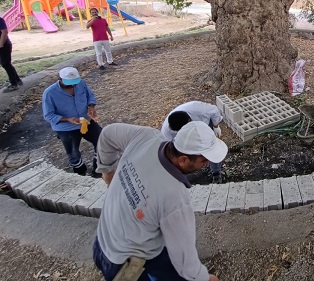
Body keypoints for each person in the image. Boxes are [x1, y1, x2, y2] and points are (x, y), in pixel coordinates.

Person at [93, 121, 226, 281]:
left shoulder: (146, 137)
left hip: (101, 241)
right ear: (183, 160)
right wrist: (205, 278)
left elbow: (107, 133)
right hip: (122, 267)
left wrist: (107, 171)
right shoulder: (174, 196)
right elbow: (185, 262)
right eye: (203, 161)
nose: (206, 165)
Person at [42, 67, 102, 176]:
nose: (72, 86)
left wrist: (91, 107)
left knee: (102, 140)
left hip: (86, 121)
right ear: (60, 79)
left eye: (74, 83)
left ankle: (97, 170)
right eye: (69, 83)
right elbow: (48, 115)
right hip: (66, 128)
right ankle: (80, 172)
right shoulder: (49, 93)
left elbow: (90, 96)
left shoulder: (81, 84)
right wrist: (67, 119)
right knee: (73, 152)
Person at [161, 101, 225, 183]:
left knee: (211, 149)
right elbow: (169, 150)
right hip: (183, 141)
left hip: (204, 125)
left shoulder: (199, 110)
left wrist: (216, 126)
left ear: (190, 120)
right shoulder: (168, 131)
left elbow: (214, 110)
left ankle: (216, 172)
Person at [0, 16, 23, 92]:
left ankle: (14, 84)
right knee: (6, 64)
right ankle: (17, 80)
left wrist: (1, 44)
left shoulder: (0, 20)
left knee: (5, 64)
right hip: (3, 46)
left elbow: (4, 32)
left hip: (4, 45)